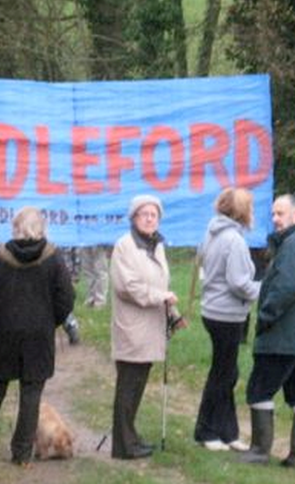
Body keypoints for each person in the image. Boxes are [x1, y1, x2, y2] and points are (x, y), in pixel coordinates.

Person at [0, 207, 75, 465]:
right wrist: (49, 321)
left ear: (16, 227)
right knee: (31, 393)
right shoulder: (53, 257)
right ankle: (21, 453)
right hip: (38, 336)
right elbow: (66, 298)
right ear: (41, 227)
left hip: (3, 333)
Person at [240, 195, 295, 468]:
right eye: (274, 213)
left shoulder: (294, 243)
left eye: (281, 213)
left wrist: (265, 316)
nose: (275, 219)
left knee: (259, 389)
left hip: (284, 335)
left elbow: (285, 287)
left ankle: (259, 451)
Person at [109, 194, 179, 460]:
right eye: (144, 214)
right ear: (134, 217)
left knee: (137, 386)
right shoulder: (124, 246)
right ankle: (123, 446)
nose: (150, 219)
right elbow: (127, 287)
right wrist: (160, 297)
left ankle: (130, 437)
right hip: (132, 328)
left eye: (154, 215)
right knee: (128, 385)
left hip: (152, 326)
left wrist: (173, 313)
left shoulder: (156, 246)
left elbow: (161, 286)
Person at [194, 188, 260, 453]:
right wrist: (264, 290)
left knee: (228, 373)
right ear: (242, 211)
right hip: (226, 315)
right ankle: (206, 431)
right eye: (250, 207)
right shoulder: (233, 239)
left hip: (213, 310)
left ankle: (228, 431)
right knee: (222, 374)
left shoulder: (212, 231)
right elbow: (238, 282)